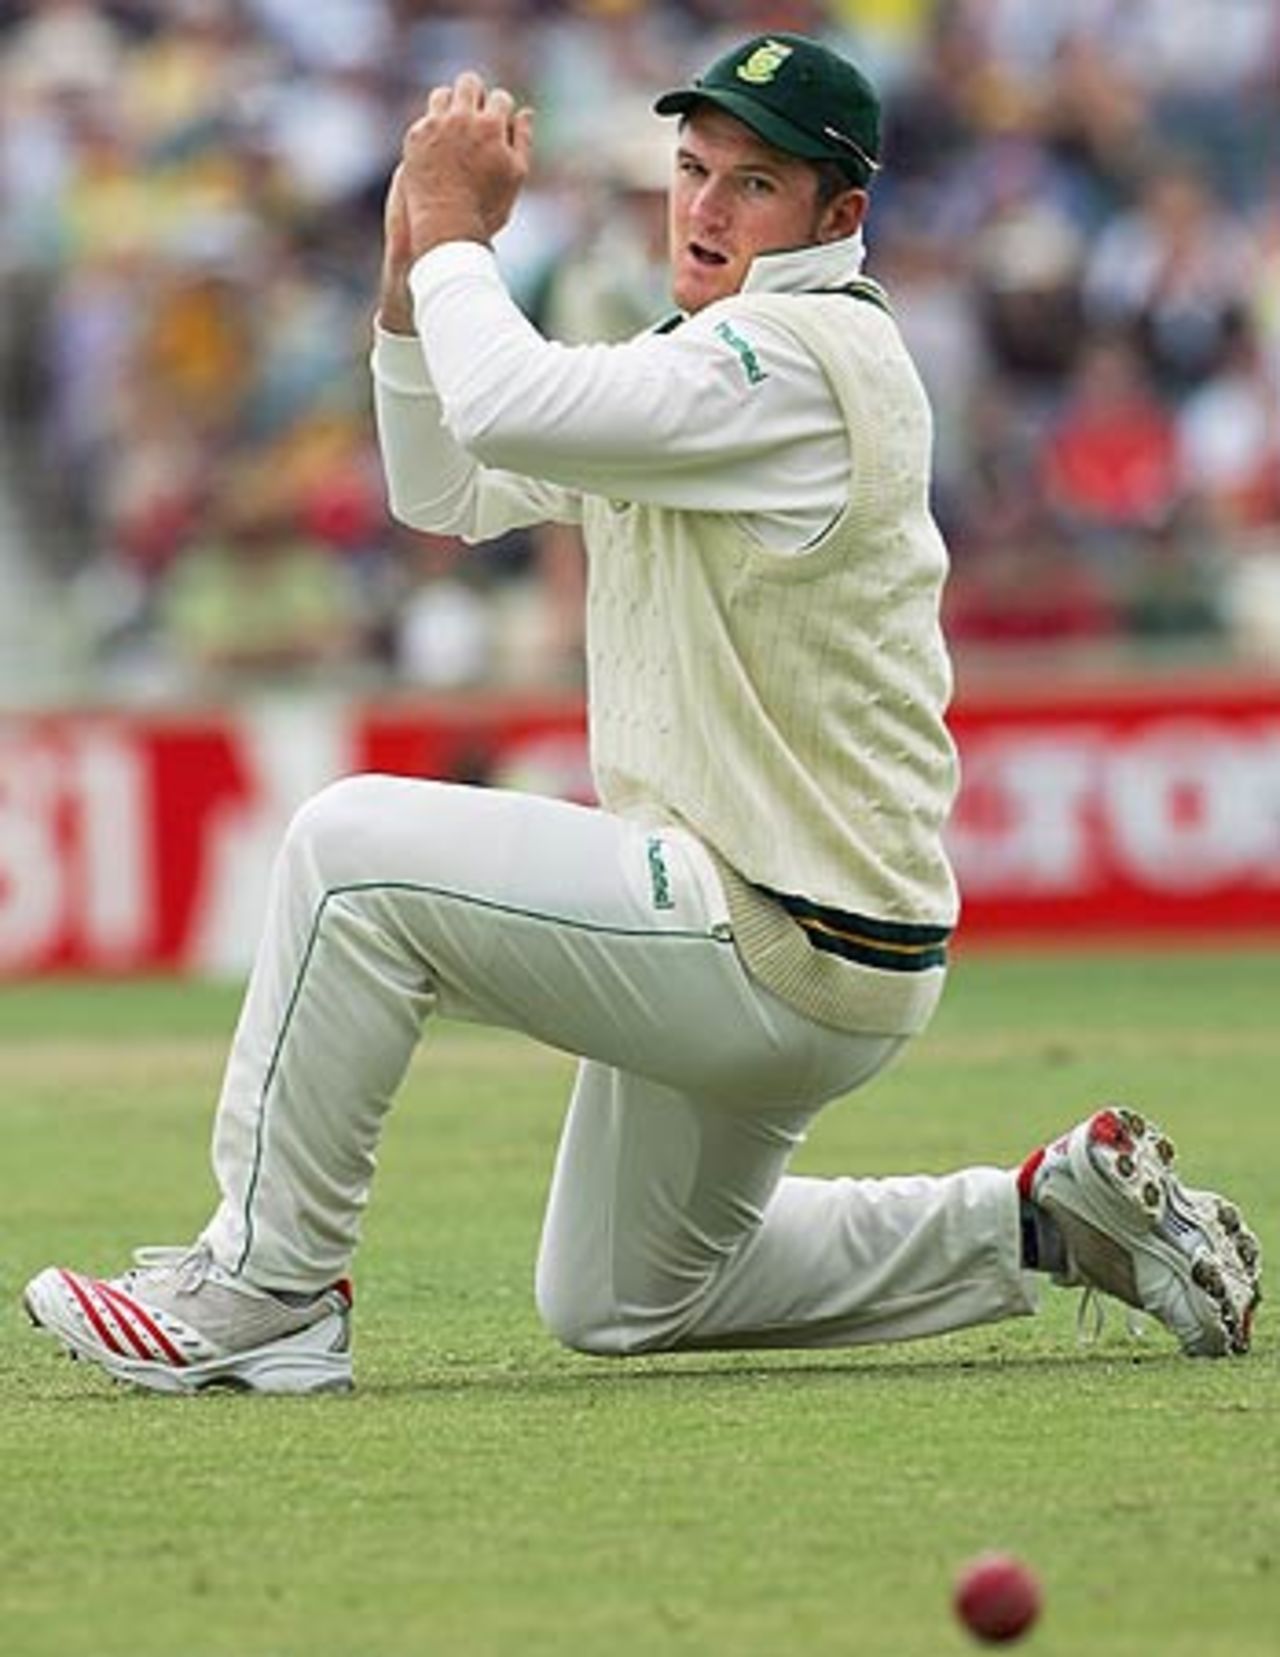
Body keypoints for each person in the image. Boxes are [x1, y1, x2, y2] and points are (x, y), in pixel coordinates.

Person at [23, 34, 1261, 1392]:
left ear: (839, 218)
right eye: (690, 169)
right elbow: (449, 489)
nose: (705, 208)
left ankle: (268, 1286)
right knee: (622, 1292)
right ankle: (1038, 1215)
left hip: (773, 928)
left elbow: (506, 394)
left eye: (754, 185)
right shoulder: (715, 365)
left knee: (346, 854)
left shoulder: (794, 355)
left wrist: (451, 239)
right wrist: (401, 295)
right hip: (811, 939)